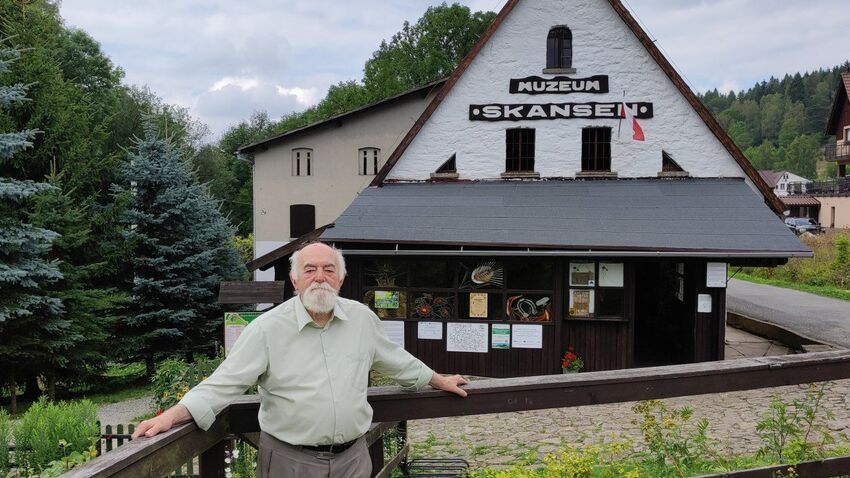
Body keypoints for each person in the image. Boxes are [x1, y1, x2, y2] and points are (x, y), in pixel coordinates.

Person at [132, 242, 468, 477]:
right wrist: (172, 416)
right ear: (295, 280)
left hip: (353, 459)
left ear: (340, 278)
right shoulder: (267, 329)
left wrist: (438, 380)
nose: (320, 277)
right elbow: (224, 382)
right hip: (290, 462)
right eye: (310, 270)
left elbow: (396, 360)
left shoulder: (362, 319)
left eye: (328, 269)